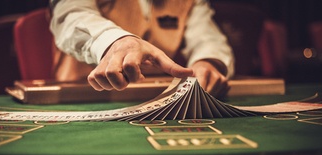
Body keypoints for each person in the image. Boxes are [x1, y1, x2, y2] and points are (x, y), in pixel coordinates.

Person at [49, 0, 234, 98]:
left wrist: (208, 62)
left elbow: (208, 38)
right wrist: (116, 42)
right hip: (82, 97)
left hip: (157, 100)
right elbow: (71, 16)